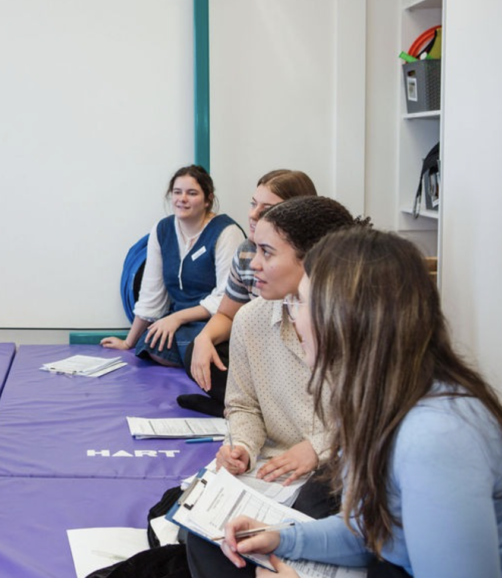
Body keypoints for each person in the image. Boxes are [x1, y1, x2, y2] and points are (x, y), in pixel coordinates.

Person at [216, 228, 502, 577]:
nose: (294, 317)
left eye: (300, 302)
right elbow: (368, 531)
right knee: (219, 551)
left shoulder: (436, 436)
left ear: (345, 318)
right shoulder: (380, 400)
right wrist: (280, 538)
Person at [184, 196, 369, 577]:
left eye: (266, 252)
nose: (253, 263)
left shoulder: (357, 324)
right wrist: (242, 447)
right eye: (255, 250)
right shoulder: (250, 319)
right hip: (272, 471)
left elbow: (372, 415)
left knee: (316, 505)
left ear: (313, 260)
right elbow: (242, 406)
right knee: (204, 531)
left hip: (339, 469)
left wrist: (318, 448)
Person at [179, 169, 317, 417]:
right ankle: (249, 409)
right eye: (253, 204)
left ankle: (247, 409)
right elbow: (228, 314)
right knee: (199, 351)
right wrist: (204, 338)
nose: (253, 215)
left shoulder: (315, 267)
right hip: (265, 356)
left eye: (266, 209)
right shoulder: (245, 252)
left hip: (303, 362)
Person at [101, 165, 244, 367]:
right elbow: (151, 295)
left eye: (192, 193)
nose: (182, 199)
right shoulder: (162, 229)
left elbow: (226, 298)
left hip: (216, 321)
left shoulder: (226, 232)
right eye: (177, 192)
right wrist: (128, 343)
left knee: (192, 344)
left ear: (208, 199)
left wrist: (177, 318)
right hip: (179, 323)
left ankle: (205, 357)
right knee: (152, 340)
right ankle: (194, 360)